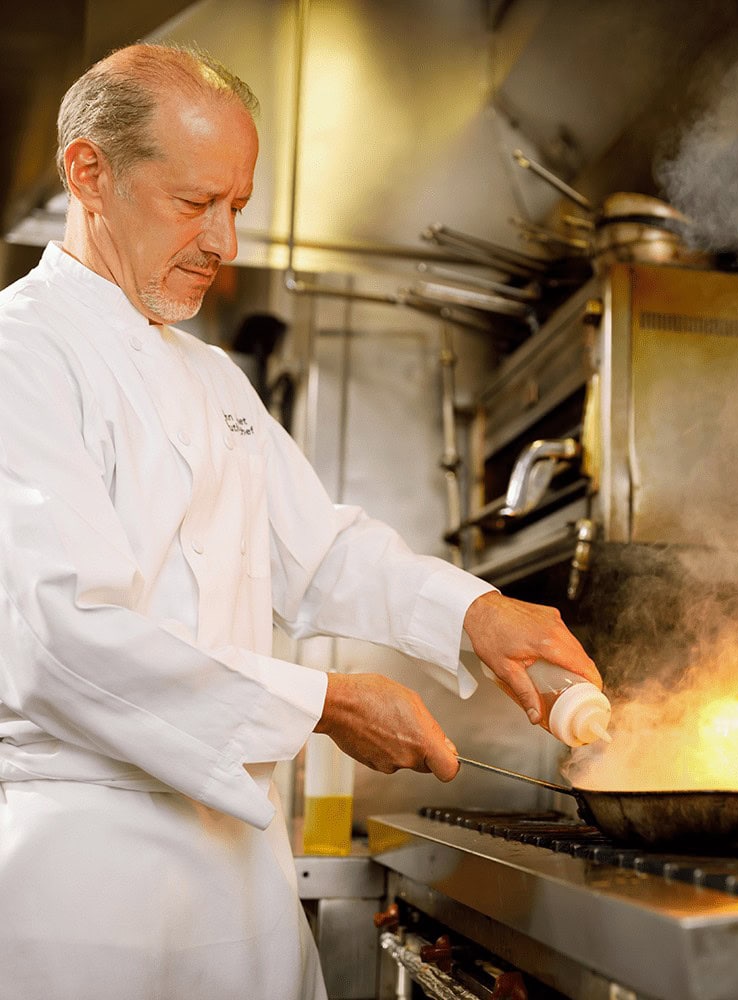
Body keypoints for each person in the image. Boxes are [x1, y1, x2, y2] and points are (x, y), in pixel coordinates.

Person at [0, 43, 600, 1000]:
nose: (226, 243)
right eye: (196, 202)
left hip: (244, 884)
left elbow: (318, 551)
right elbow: (63, 638)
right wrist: (324, 704)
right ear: (88, 174)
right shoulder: (21, 353)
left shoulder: (211, 376)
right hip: (91, 889)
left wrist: (475, 611)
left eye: (238, 206)